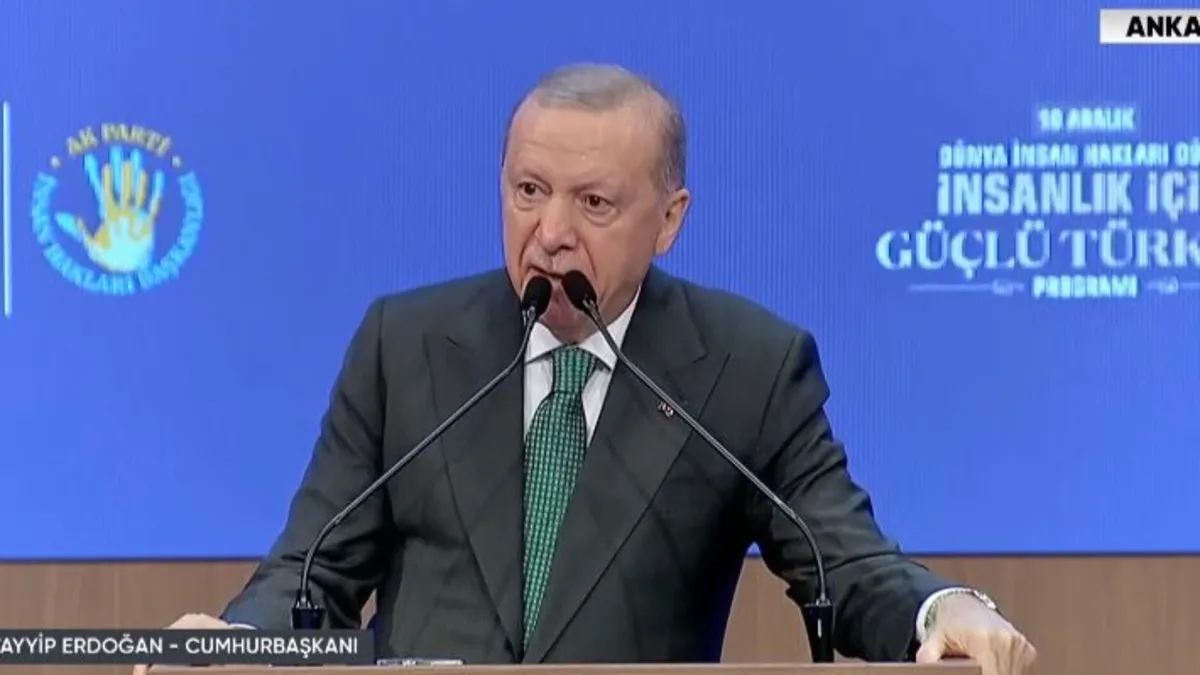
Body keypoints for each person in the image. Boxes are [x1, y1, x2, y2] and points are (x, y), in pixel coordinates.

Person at [137, 63, 1035, 675]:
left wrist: (943, 610)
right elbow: (310, 576)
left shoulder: (747, 366)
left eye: (594, 202)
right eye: (528, 191)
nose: (552, 232)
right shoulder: (404, 344)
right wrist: (236, 643)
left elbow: (846, 561)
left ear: (669, 219)